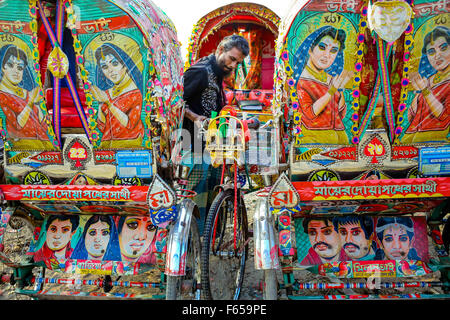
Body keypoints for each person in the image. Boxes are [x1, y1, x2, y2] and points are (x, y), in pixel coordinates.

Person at [182, 35, 249, 232]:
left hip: (210, 145)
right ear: (220, 49)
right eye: (232, 59)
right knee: (196, 192)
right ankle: (193, 238)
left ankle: (207, 239)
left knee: (213, 188)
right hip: (192, 142)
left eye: (238, 62)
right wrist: (194, 117)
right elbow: (175, 100)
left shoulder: (217, 73)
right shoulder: (200, 71)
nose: (234, 65)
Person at [292, 26, 352, 144]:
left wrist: (339, 90)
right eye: (322, 47)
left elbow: (341, 113)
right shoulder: (302, 80)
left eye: (333, 51)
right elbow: (310, 113)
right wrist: (331, 91)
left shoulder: (330, 78)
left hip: (340, 141)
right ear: (310, 49)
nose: (327, 55)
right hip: (314, 142)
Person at [90, 42, 144, 149]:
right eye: (105, 67)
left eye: (114, 63)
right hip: (106, 147)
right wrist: (101, 103)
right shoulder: (106, 93)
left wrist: (108, 103)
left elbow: (129, 124)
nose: (110, 70)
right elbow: (101, 126)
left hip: (130, 146)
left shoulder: (136, 92)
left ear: (125, 65)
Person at [0, 44, 53, 149]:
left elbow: (42, 121)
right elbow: (18, 125)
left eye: (20, 68)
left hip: (44, 144)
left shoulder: (27, 93)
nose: (16, 71)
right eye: (10, 65)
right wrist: (31, 102)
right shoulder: (3, 96)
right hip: (22, 146)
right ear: (2, 67)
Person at [405, 26, 450, 143]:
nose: (437, 56)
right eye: (431, 52)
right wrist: (417, 91)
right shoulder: (428, 80)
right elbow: (412, 115)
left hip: (437, 139)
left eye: (443, 48)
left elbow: (444, 116)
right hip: (413, 136)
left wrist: (425, 91)